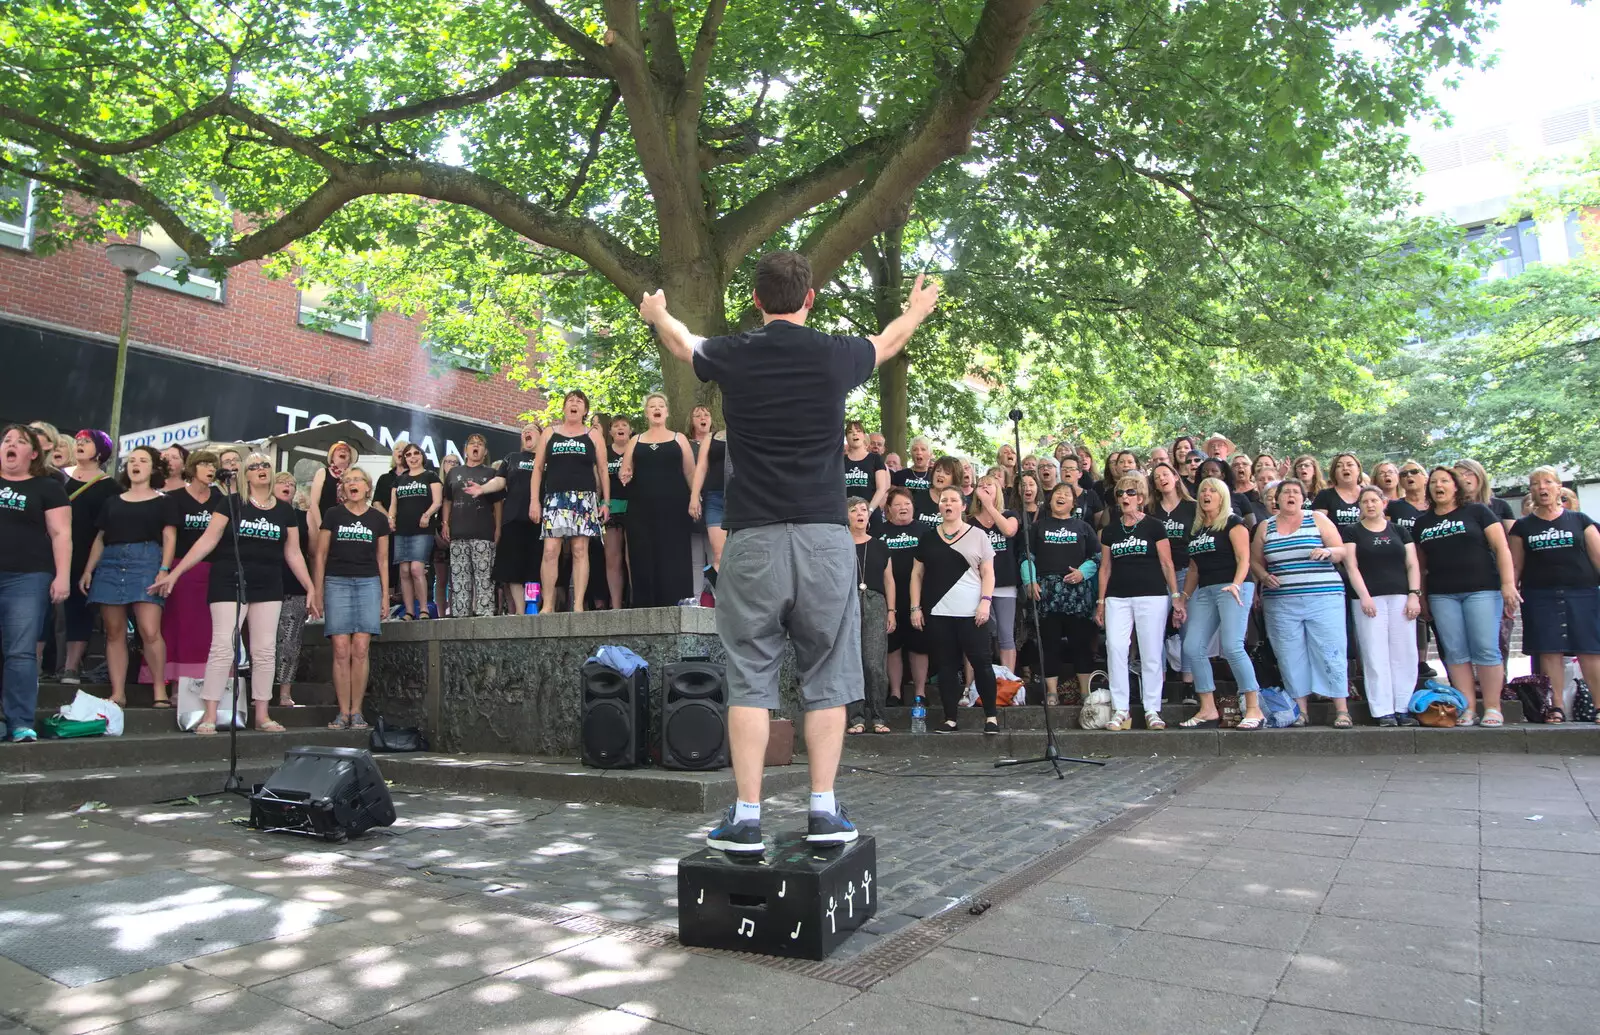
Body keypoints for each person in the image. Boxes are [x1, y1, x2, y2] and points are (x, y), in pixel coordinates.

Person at [641, 248, 938, 852]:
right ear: (809, 299)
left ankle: (746, 817)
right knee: (828, 672)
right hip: (827, 539)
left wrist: (655, 313)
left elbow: (680, 341)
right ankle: (823, 812)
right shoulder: (834, 353)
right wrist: (917, 308)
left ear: (756, 301)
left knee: (751, 675)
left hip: (751, 537)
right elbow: (889, 341)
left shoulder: (734, 352)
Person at [151, 452, 319, 734]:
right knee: (223, 646)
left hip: (268, 582)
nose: (260, 469)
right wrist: (175, 572)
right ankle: (210, 714)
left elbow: (293, 552)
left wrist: (311, 587)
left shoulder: (284, 510)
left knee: (265, 650)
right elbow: (208, 540)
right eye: (253, 466)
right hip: (229, 579)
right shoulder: (230, 503)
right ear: (245, 474)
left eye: (265, 464)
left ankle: (262, 715)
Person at [1413, 466, 1519, 727]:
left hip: (1482, 590)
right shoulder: (1423, 522)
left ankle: (1493, 707)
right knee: (1455, 652)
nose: (1439, 486)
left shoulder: (1478, 511)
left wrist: (1508, 584)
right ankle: (1467, 707)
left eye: (1445, 481)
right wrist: (1421, 597)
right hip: (1442, 594)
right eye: (1434, 482)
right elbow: (1420, 564)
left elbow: (1502, 547)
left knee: (1485, 648)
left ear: (1456, 486)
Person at [1252, 478, 1354, 728]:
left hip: (1324, 597)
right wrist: (1264, 576)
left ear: (1303, 497)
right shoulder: (1266, 526)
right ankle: (1301, 711)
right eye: (1285, 492)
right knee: (1289, 654)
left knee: (1330, 649)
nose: (1290, 495)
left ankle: (1341, 710)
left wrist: (1329, 552)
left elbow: (1341, 550)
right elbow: (1255, 562)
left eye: (1296, 492)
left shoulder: (1317, 519)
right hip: (1281, 602)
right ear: (1277, 499)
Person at [79, 445, 169, 708]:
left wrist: (164, 569)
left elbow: (169, 536)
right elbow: (100, 538)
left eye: (142, 460)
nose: (135, 464)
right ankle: (118, 692)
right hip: (110, 562)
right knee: (114, 632)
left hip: (146, 560)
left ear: (153, 468)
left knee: (150, 630)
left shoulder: (163, 501)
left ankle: (159, 690)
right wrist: (88, 570)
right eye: (131, 460)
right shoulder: (112, 501)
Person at [0, 425, 71, 742]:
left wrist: (62, 575)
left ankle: (19, 721)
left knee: (20, 652)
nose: (10, 445)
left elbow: (61, 534)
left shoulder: (47, 487)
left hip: (27, 577)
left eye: (20, 442)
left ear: (33, 453)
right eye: (6, 441)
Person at [1097, 473, 1182, 731]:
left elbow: (1167, 563)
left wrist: (1176, 597)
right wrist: (1100, 602)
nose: (1125, 497)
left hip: (1152, 594)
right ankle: (1121, 709)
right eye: (1121, 493)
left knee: (1151, 651)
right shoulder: (1110, 531)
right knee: (1116, 648)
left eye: (1130, 493)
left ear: (1141, 498)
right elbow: (1105, 568)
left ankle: (1152, 709)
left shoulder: (1155, 526)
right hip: (1117, 597)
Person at [1510, 466, 1600, 710]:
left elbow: (1598, 558)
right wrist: (1509, 591)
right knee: (1549, 651)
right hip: (1540, 595)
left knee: (1590, 650)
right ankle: (1556, 707)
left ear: (1560, 487)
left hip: (1583, 593)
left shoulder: (1581, 521)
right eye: (1535, 484)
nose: (1542, 488)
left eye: (1548, 482)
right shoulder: (1522, 527)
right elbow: (1516, 565)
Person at [912, 485, 999, 734]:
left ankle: (991, 717)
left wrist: (986, 601)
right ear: (938, 506)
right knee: (946, 666)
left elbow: (988, 571)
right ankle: (950, 717)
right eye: (943, 500)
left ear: (963, 505)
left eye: (953, 500)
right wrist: (915, 607)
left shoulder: (978, 535)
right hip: (939, 612)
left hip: (973, 612)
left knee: (982, 663)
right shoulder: (928, 537)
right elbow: (917, 574)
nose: (948, 504)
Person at [1180, 477, 1263, 729]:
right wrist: (1182, 598)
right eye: (1203, 490)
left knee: (1232, 645)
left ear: (1222, 496)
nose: (1206, 494)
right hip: (1205, 589)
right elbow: (1193, 568)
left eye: (1212, 491)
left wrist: (1237, 584)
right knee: (1193, 646)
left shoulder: (1233, 522)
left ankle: (1254, 708)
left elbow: (1244, 559)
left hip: (1233, 586)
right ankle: (1207, 709)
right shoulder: (1195, 530)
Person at [314, 466, 390, 730]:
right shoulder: (333, 515)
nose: (352, 483)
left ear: (367, 487)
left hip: (369, 583)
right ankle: (342, 712)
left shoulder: (378, 519)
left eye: (357, 479)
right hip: (337, 582)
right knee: (340, 649)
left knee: (360, 649)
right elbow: (321, 555)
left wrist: (384, 596)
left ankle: (356, 712)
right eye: (347, 480)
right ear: (342, 488)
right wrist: (318, 590)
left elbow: (383, 559)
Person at [1340, 485, 1420, 726]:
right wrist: (1363, 596)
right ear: (1360, 506)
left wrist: (1414, 595)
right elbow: (1351, 566)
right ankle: (1382, 709)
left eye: (1375, 500)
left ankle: (1402, 706)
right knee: (1375, 654)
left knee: (1404, 653)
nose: (1370, 505)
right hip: (1368, 599)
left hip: (1400, 597)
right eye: (1365, 501)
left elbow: (1412, 564)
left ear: (1384, 503)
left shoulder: (1400, 530)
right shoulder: (1352, 531)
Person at [525, 393, 609, 613]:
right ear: (563, 408)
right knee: (551, 550)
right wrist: (535, 501)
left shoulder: (593, 435)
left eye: (579, 402)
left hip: (584, 499)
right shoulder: (550, 433)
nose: (574, 404)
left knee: (580, 549)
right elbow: (537, 468)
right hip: (554, 498)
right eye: (570, 401)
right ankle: (549, 603)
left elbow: (602, 469)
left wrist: (606, 502)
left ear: (585, 411)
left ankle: (578, 604)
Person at [148, 450, 221, 692]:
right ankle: (176, 685)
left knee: (205, 631)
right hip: (180, 568)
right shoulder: (174, 498)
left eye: (213, 464)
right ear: (192, 468)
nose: (209, 468)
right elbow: (167, 536)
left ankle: (204, 686)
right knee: (177, 626)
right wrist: (165, 569)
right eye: (204, 464)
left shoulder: (222, 498)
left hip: (212, 570)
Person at [1028, 482, 1101, 706]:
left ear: (1073, 502)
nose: (1061, 496)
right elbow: (1026, 555)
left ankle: (1085, 692)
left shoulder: (1084, 527)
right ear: (1050, 500)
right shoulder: (1038, 527)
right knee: (1049, 644)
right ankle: (1051, 692)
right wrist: (1029, 580)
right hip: (1047, 593)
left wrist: (1082, 573)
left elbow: (1098, 557)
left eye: (1066, 494)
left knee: (1081, 643)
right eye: (1057, 493)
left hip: (1077, 595)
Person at [619, 394, 696, 608]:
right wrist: (625, 475)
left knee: (673, 553)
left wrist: (695, 497)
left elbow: (690, 472)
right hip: (641, 508)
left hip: (674, 506)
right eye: (652, 406)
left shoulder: (678, 438)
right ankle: (645, 603)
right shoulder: (636, 440)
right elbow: (626, 471)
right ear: (647, 413)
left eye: (661, 405)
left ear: (667, 411)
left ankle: (677, 600)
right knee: (642, 552)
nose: (657, 408)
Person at [59, 429, 118, 683]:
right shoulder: (57, 477)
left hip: (84, 553)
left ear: (101, 451)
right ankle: (37, 663)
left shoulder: (110, 487)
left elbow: (105, 529)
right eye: (79, 441)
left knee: (78, 611)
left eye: (87, 442)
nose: (80, 444)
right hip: (47, 550)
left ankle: (71, 666)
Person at [475, 424, 542, 614]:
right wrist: (482, 488)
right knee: (513, 570)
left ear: (541, 435)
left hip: (539, 521)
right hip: (513, 519)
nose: (526, 433)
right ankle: (521, 612)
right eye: (524, 431)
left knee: (534, 570)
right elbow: (499, 480)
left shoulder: (546, 460)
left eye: (531, 430)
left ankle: (532, 607)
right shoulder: (512, 458)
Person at [845, 497, 893, 736]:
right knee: (852, 661)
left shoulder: (880, 546)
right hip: (848, 602)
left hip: (876, 602)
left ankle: (878, 715)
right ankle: (856, 717)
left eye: (863, 509)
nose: (860, 514)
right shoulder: (840, 545)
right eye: (854, 510)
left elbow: (889, 580)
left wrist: (892, 611)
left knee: (874, 663)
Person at [1148, 462, 1197, 695]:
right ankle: (1162, 685)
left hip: (1187, 572)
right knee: (1156, 630)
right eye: (1157, 477)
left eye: (1165, 474)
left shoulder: (1193, 507)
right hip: (1158, 575)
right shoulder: (1151, 509)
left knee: (1189, 628)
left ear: (1176, 477)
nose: (1161, 479)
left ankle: (1188, 684)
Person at [968, 475, 1020, 673]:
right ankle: (973, 685)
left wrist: (990, 506)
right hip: (977, 586)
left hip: (1005, 584)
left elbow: (1008, 531)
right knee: (979, 636)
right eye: (981, 484)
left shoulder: (1010, 514)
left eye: (990, 484)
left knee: (1006, 634)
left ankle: (1008, 683)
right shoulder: (970, 522)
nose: (984, 487)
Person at [880, 488, 927, 708]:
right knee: (893, 646)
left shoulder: (924, 531)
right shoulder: (880, 532)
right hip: (889, 598)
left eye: (907, 504)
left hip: (918, 598)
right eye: (897, 505)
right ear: (888, 509)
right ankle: (895, 693)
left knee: (919, 646)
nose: (903, 508)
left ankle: (920, 692)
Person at [444, 434, 500, 616]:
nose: (476, 447)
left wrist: (498, 528)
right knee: (459, 579)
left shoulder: (491, 474)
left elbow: (498, 503)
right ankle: (460, 616)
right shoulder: (453, 473)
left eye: (480, 444)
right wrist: (445, 523)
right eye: (472, 444)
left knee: (484, 578)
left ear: (485, 452)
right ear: (465, 450)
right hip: (458, 533)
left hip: (483, 532)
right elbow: (447, 500)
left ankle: (486, 615)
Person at [389, 442, 441, 620]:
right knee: (404, 571)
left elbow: (437, 501)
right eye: (408, 454)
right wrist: (391, 519)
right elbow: (393, 505)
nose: (412, 457)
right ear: (404, 459)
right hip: (402, 530)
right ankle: (409, 611)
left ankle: (424, 609)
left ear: (422, 456)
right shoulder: (399, 479)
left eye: (416, 453)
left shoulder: (430, 476)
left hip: (422, 529)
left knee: (417, 569)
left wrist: (427, 515)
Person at [272, 473, 309, 707]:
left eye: (292, 484)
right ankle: (262, 689)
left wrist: (313, 586)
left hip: (294, 586)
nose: (288, 486)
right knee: (262, 642)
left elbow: (312, 553)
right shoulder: (260, 514)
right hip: (264, 585)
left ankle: (285, 692)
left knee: (290, 641)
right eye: (283, 482)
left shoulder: (302, 517)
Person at [690, 422, 729, 593]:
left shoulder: (746, 432)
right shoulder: (711, 437)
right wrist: (694, 496)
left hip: (741, 498)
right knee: (718, 555)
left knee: (741, 555)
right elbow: (701, 467)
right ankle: (721, 600)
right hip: (714, 498)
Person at [306, 441, 354, 542]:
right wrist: (321, 527)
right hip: (322, 520)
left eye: (346, 450)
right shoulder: (323, 472)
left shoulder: (353, 476)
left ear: (350, 458)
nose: (343, 451)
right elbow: (314, 503)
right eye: (339, 449)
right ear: (332, 456)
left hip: (345, 524)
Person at [843, 420, 889, 513]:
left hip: (871, 512)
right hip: (847, 514)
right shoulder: (841, 461)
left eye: (858, 431)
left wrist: (870, 510)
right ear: (847, 438)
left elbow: (881, 488)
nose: (855, 434)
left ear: (864, 436)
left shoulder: (875, 458)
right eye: (850, 432)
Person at [1313, 453, 1365, 527]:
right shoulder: (1324, 495)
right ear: (1334, 472)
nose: (1345, 468)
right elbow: (1318, 526)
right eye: (1339, 466)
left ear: (1358, 469)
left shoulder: (1369, 493)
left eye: (1349, 465)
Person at [892, 437, 935, 515]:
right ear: (911, 453)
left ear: (930, 454)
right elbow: (890, 499)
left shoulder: (935, 477)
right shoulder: (899, 475)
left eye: (923, 449)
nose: (919, 452)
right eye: (915, 449)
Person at [1058, 456, 1103, 526]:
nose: (1067, 471)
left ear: (1080, 474)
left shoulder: (1091, 495)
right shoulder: (1054, 495)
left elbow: (1099, 522)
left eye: (1071, 469)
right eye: (1064, 468)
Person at [1388, 460, 1429, 534]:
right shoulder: (1392, 506)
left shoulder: (1437, 504)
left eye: (1414, 471)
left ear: (1425, 479)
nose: (1409, 475)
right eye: (1403, 474)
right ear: (1400, 482)